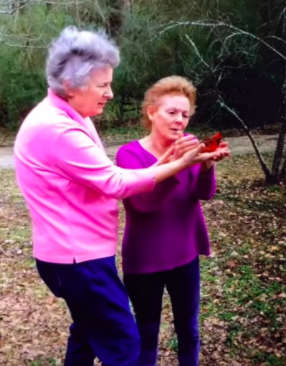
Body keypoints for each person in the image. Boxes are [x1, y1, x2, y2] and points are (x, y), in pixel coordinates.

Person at [13, 27, 222, 366]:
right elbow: (115, 182)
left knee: (86, 334)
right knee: (125, 346)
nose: (110, 93)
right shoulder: (57, 128)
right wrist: (179, 163)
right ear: (71, 85)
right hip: (79, 259)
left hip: (79, 256)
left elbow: (98, 174)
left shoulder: (73, 116)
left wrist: (174, 162)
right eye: (102, 85)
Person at [116, 76, 230, 366]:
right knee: (147, 333)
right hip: (145, 261)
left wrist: (204, 168)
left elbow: (202, 195)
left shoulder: (189, 147)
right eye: (172, 112)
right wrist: (177, 164)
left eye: (185, 114)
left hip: (185, 256)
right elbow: (142, 204)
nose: (179, 120)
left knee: (188, 330)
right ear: (152, 112)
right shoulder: (129, 154)